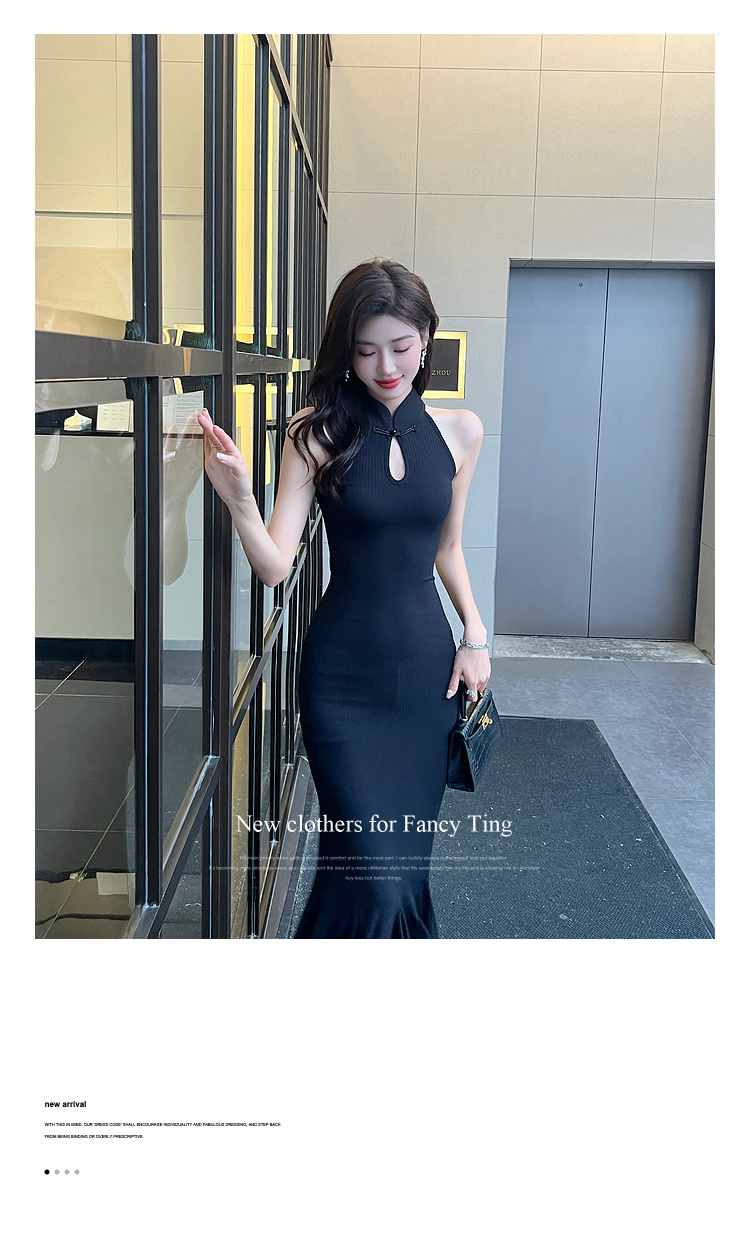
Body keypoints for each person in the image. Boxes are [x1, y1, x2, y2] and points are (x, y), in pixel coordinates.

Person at [197, 258, 491, 938]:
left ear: (426, 339)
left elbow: (448, 548)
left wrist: (475, 636)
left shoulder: (461, 432)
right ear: (345, 351)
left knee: (399, 875)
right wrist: (240, 500)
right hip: (342, 680)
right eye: (365, 350)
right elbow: (275, 567)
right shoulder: (316, 432)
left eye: (401, 346)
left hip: (425, 679)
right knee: (371, 873)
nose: (385, 366)